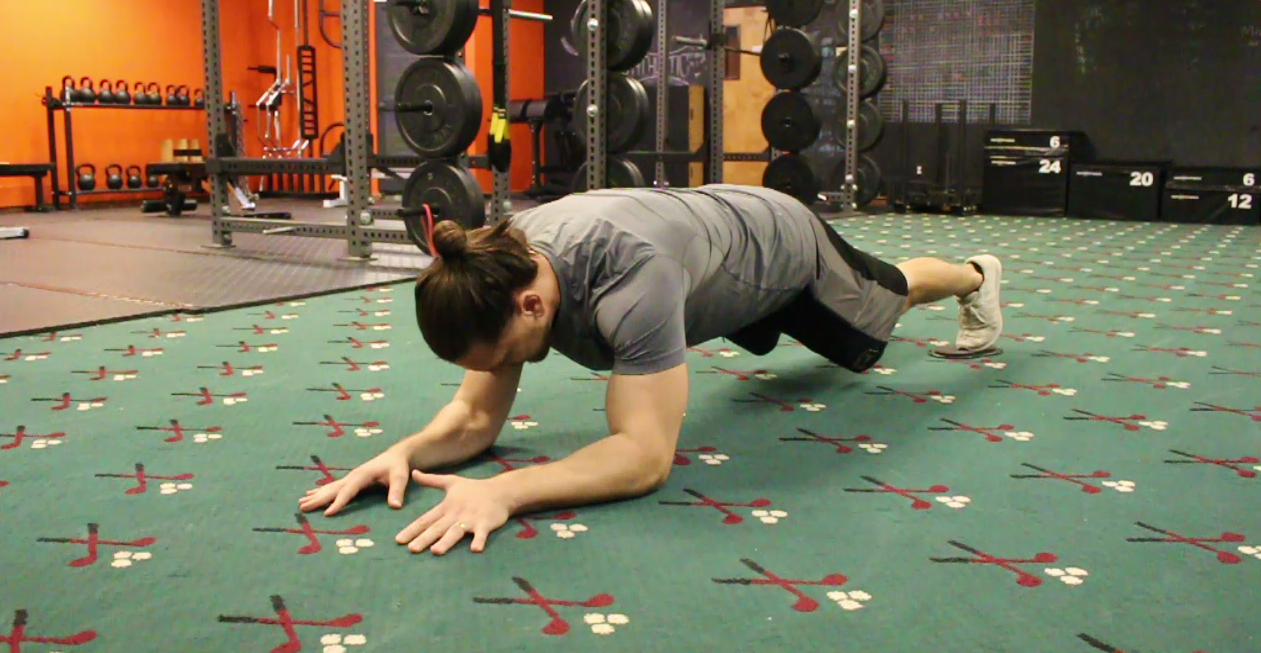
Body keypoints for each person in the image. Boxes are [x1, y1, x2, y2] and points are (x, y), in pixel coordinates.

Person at [298, 184, 1003, 555]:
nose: (504, 372)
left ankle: (975, 276)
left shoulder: (628, 279)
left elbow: (643, 457)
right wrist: (404, 452)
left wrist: (508, 492)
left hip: (780, 248)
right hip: (711, 258)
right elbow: (477, 416)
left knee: (885, 307)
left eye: (509, 356)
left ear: (533, 304)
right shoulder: (500, 271)